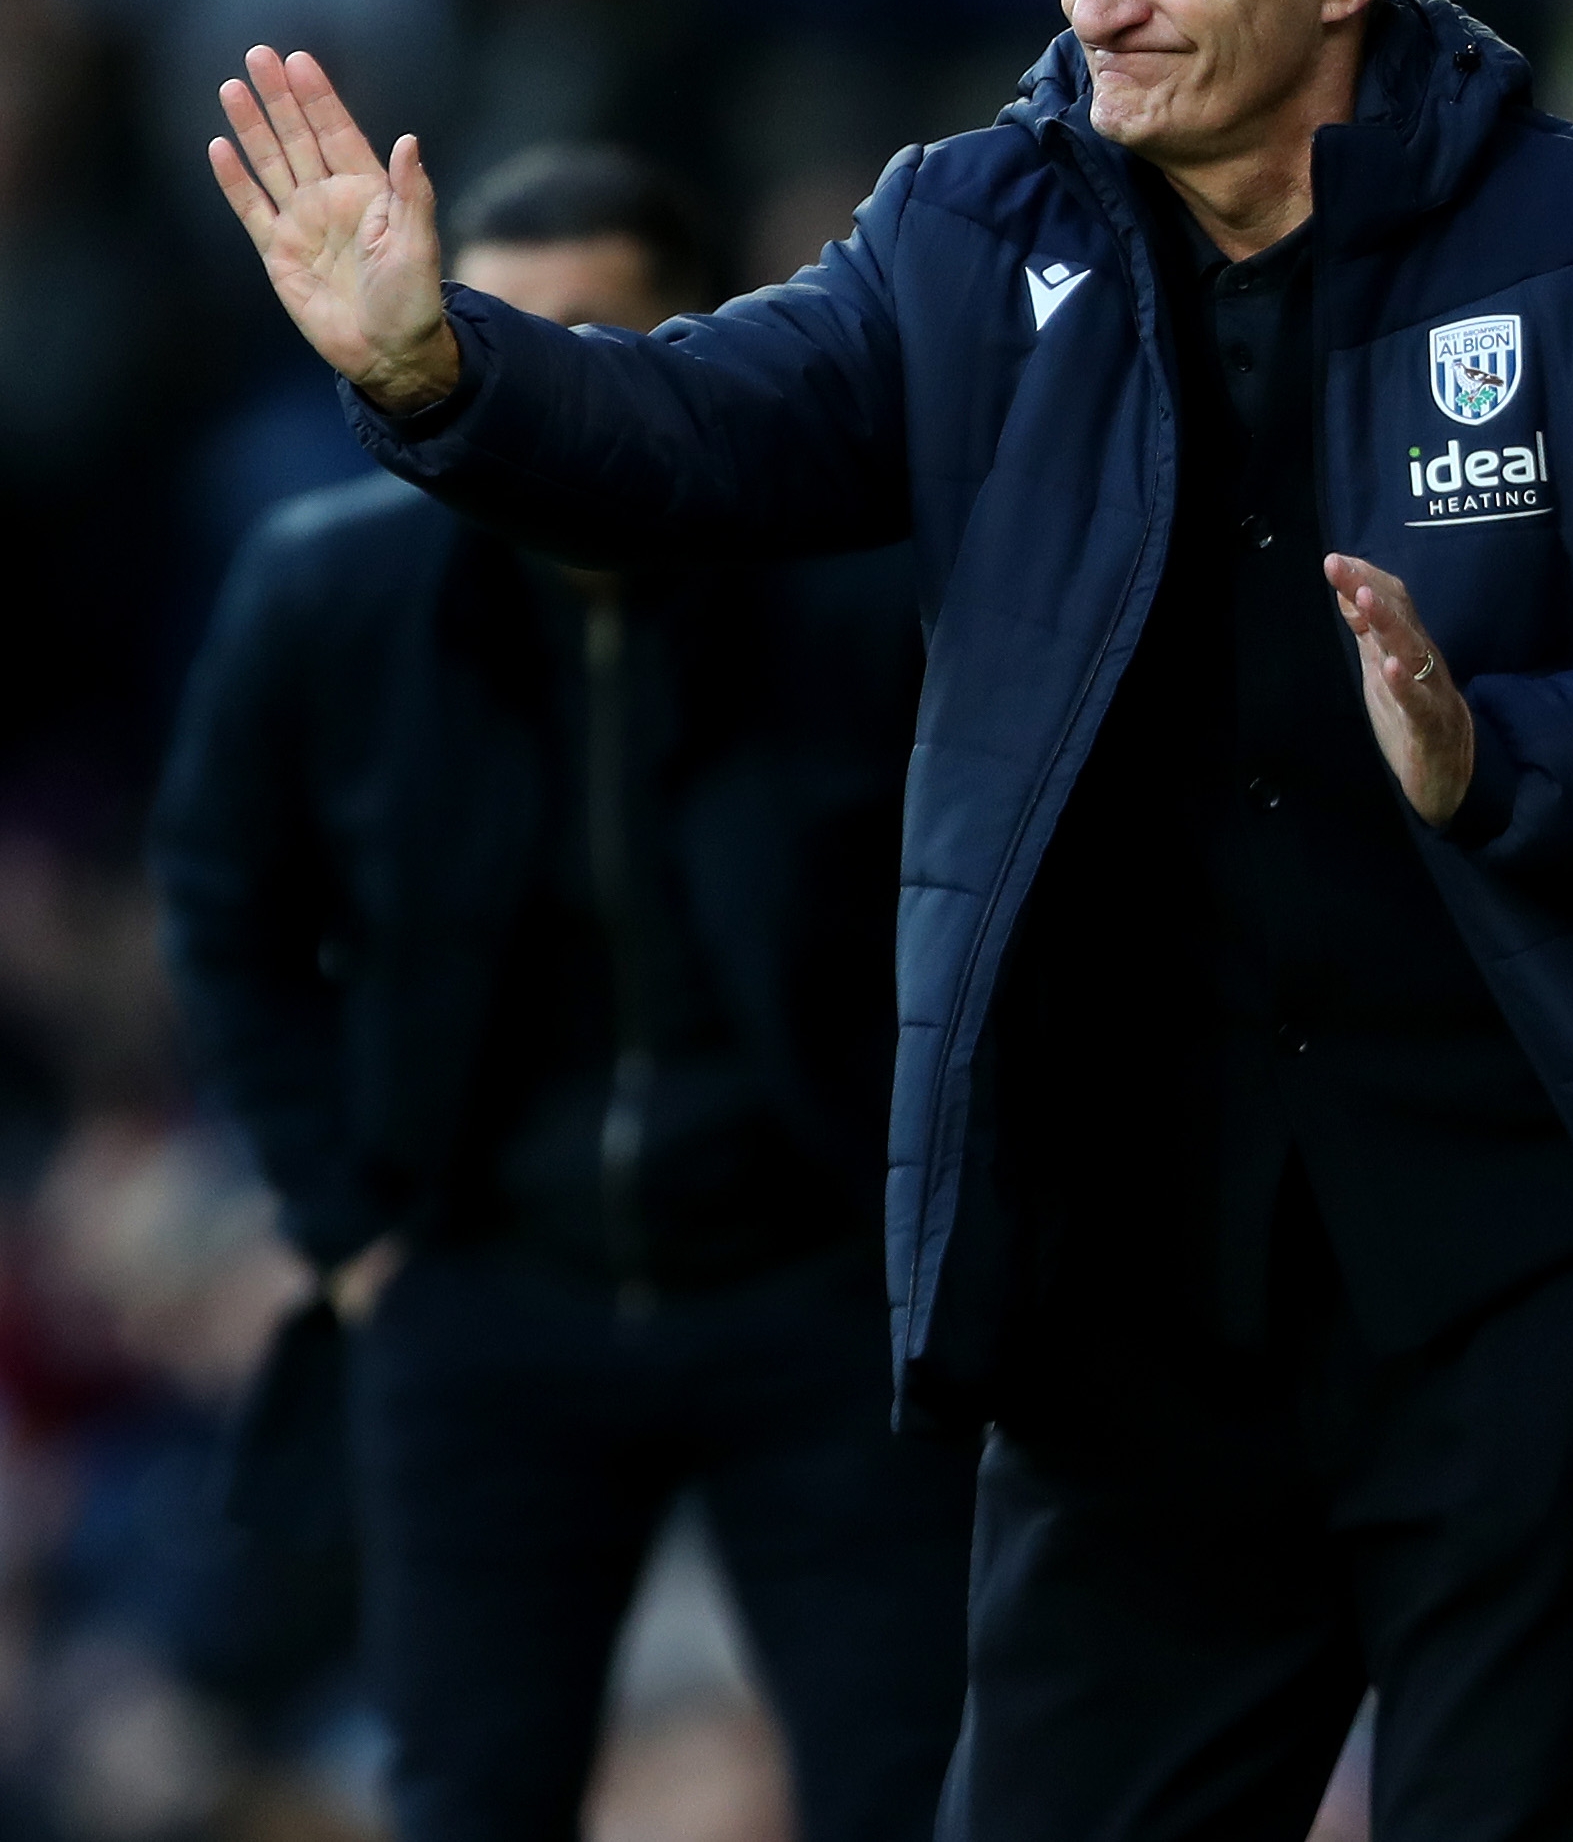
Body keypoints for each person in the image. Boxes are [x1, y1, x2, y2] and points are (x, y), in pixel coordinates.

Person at [208, 0, 1573, 1841]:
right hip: (1131, 1314)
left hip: (1533, 1287)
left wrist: (1513, 752)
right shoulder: (967, 232)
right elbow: (696, 433)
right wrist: (436, 368)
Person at [151, 145, 973, 1842]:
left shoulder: (870, 592)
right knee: (470, 1797)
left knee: (912, 1795)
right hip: (484, 1292)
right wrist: (346, 1222)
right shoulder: (330, 592)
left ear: (708, 353)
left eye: (584, 337)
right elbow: (223, 902)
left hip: (817, 1295)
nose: (511, 387)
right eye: (482, 332)